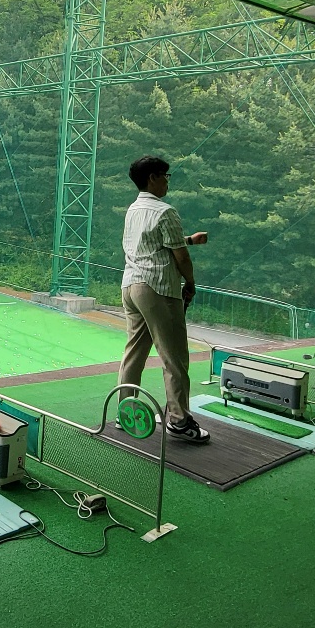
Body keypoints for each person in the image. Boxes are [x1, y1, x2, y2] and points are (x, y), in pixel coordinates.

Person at [117, 155, 212, 443]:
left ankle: (125, 411)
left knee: (134, 351)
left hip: (131, 286)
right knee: (175, 358)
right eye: (165, 176)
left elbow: (160, 243)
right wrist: (191, 282)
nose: (167, 181)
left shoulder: (133, 209)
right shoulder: (165, 211)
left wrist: (191, 239)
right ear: (152, 179)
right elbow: (178, 256)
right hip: (157, 288)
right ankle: (180, 421)